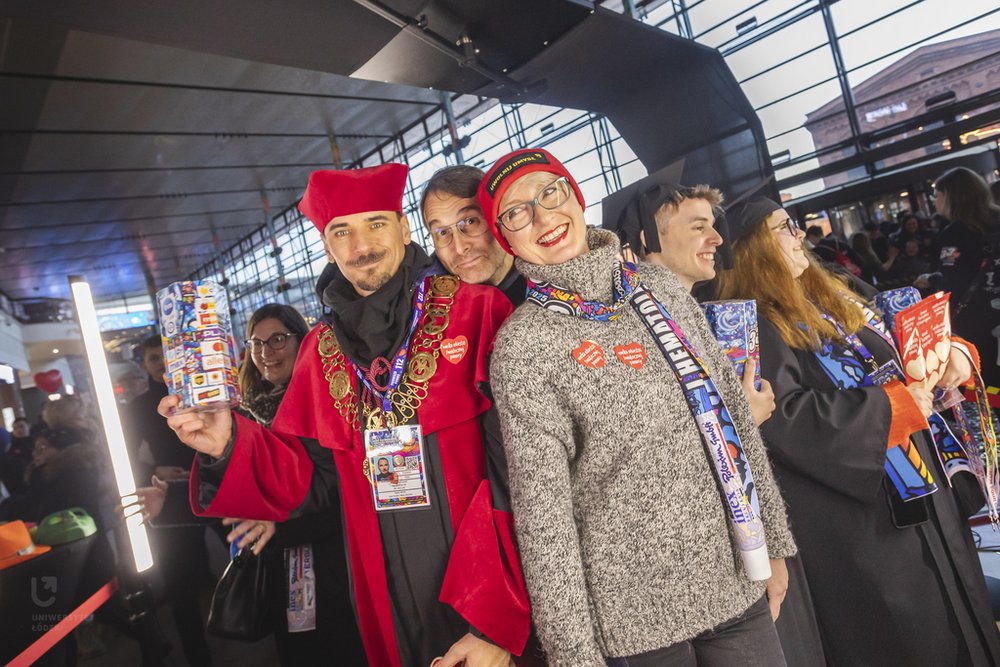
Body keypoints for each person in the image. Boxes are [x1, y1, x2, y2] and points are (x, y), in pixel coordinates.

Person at [159, 163, 530, 667]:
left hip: (486, 589)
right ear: (327, 247)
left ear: (402, 228)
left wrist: (494, 618)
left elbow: (523, 479)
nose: (362, 246)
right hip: (384, 590)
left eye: (376, 223)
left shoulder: (478, 312)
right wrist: (227, 441)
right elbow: (309, 475)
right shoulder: (319, 350)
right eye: (342, 232)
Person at [478, 148, 797, 666]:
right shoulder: (523, 348)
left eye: (549, 193)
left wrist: (775, 542)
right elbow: (544, 518)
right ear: (506, 238)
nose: (541, 217)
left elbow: (733, 417)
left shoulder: (661, 290)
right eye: (516, 213)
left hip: (735, 580)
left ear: (576, 198)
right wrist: (572, 655)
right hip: (634, 622)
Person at [715, 193, 1000, 665]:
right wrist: (891, 409)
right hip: (863, 523)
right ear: (754, 248)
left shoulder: (832, 292)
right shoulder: (754, 328)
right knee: (912, 638)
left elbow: (901, 344)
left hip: (922, 489)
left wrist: (955, 353)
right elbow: (783, 416)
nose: (800, 235)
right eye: (785, 227)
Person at [614, 180, 825, 666]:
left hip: (743, 554)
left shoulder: (715, 320)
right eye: (699, 227)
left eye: (716, 226)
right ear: (647, 239)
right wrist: (737, 421)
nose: (717, 240)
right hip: (665, 580)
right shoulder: (615, 332)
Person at [226, 302, 365, 665]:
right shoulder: (250, 412)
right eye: (255, 343)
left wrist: (279, 527)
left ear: (301, 341)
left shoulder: (322, 400)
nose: (265, 353)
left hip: (331, 563)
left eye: (277, 340)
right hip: (280, 568)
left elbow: (341, 495)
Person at [124, 335, 214, 667]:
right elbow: (124, 456)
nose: (160, 364)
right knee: (181, 590)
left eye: (164, 356)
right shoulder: (136, 408)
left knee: (249, 565)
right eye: (152, 359)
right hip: (172, 499)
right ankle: (198, 657)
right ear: (144, 365)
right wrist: (154, 469)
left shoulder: (201, 392)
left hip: (217, 486)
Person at [932, 166, 1000, 403]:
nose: (934, 200)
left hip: (980, 327)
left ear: (951, 196)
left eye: (937, 194)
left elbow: (953, 283)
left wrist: (931, 282)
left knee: (992, 387)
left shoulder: (953, 234)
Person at [421, 164, 527, 305]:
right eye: (442, 232)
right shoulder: (427, 309)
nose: (459, 248)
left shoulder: (553, 279)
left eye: (470, 221)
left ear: (499, 216)